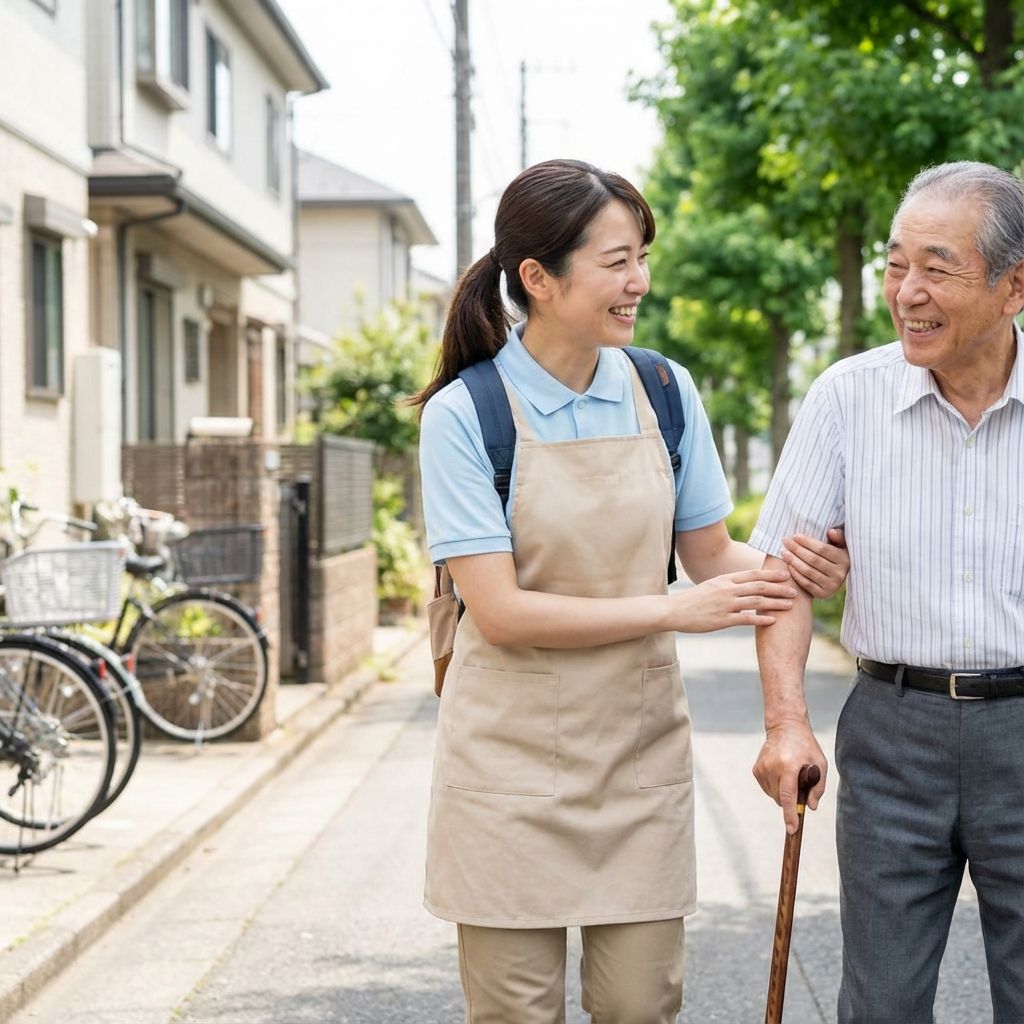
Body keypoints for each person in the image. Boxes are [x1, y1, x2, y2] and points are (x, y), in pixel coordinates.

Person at [413, 158, 850, 1024]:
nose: (639, 281)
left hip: (636, 760)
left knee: (641, 1005)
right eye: (616, 262)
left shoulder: (663, 391)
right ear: (538, 278)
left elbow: (711, 554)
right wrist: (672, 611)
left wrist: (796, 570)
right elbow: (499, 612)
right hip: (504, 768)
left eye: (641, 258)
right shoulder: (466, 414)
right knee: (514, 1012)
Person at [749, 160, 1024, 1023]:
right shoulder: (847, 397)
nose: (908, 292)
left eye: (938, 268)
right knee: (881, 1005)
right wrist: (786, 722)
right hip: (893, 732)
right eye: (896, 265)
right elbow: (783, 574)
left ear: (1015, 287)